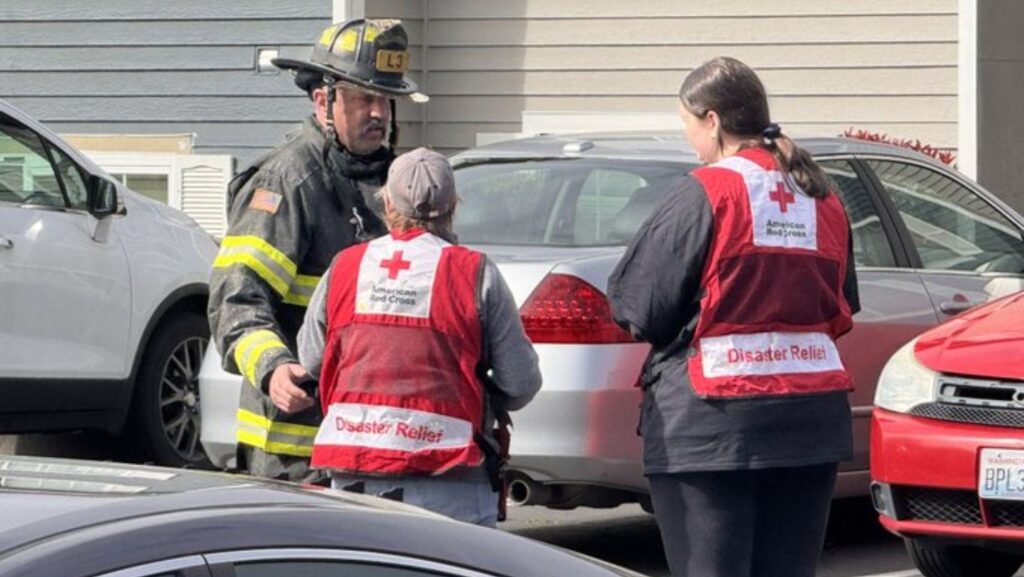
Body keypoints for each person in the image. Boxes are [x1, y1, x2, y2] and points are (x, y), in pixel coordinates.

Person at [608, 56, 860, 577]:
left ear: (713, 120)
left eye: (687, 125)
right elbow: (843, 303)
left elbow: (641, 308)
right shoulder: (822, 196)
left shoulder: (707, 190)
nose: (688, 140)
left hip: (711, 427)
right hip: (809, 422)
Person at [208, 18, 428, 481]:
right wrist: (272, 368)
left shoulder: (393, 180)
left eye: (386, 99)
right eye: (364, 97)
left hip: (376, 441)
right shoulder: (287, 182)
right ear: (323, 100)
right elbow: (236, 299)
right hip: (297, 449)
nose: (379, 113)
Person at [297, 147, 541, 527]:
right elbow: (521, 382)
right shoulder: (475, 273)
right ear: (453, 206)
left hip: (354, 472)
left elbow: (313, 359)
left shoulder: (345, 266)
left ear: (388, 203)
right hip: (450, 475)